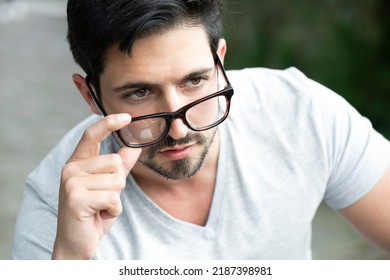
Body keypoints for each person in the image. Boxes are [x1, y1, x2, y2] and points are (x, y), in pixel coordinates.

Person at [12, 0, 390, 260]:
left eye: (195, 80)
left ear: (220, 61)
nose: (178, 128)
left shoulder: (300, 114)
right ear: (89, 95)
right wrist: (71, 262)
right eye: (140, 93)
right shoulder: (57, 208)